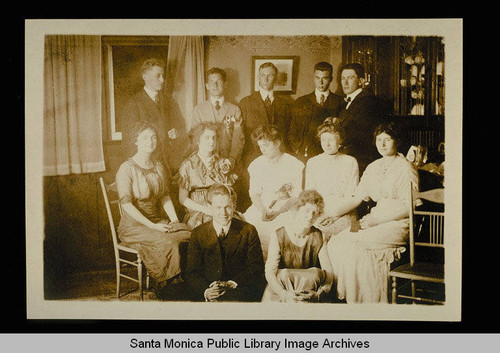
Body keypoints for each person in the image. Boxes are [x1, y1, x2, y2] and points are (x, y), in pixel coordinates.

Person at [326, 121, 419, 303]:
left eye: (387, 140)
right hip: (373, 219)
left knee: (355, 247)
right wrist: (333, 216)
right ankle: (350, 299)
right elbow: (356, 198)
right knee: (337, 242)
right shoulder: (373, 167)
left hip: (397, 223)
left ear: (397, 141)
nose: (382, 144)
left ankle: (368, 301)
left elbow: (410, 205)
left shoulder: (406, 167)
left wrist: (377, 221)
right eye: (379, 140)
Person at [116, 121, 191, 299]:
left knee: (188, 233)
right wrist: (153, 225)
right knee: (168, 242)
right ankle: (167, 287)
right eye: (145, 138)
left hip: (157, 221)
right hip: (133, 226)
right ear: (136, 141)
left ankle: (187, 281)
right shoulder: (126, 169)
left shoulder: (158, 166)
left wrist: (174, 220)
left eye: (153, 137)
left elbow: (165, 196)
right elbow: (127, 205)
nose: (150, 141)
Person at [184, 183, 266, 302]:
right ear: (209, 207)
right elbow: (192, 272)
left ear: (234, 206)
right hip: (208, 290)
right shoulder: (198, 233)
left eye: (227, 207)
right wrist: (206, 291)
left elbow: (255, 267)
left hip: (238, 289)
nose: (223, 212)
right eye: (218, 207)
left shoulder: (248, 231)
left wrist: (231, 284)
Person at [242, 124, 304, 261]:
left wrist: (279, 212)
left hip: (287, 208)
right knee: (251, 230)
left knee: (283, 232)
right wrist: (262, 209)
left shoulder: (293, 164)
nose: (263, 150)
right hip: (262, 206)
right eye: (260, 146)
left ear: (277, 142)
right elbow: (255, 193)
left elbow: (296, 196)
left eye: (266, 145)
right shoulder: (256, 165)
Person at [238, 62, 294, 211]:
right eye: (263, 75)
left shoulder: (286, 104)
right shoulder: (245, 102)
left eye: (270, 75)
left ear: (275, 78)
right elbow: (241, 135)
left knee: (278, 200)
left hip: (278, 160)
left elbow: (288, 134)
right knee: (255, 202)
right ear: (258, 78)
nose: (266, 79)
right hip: (254, 158)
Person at [262, 190, 334, 303]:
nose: (310, 216)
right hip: (282, 291)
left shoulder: (320, 236)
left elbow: (328, 271)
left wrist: (321, 293)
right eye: (307, 210)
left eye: (315, 212)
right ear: (297, 209)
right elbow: (270, 272)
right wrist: (284, 294)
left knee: (316, 274)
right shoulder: (278, 235)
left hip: (310, 292)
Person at [121, 58, 185, 175]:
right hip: (146, 167)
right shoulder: (133, 104)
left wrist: (178, 133)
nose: (162, 80)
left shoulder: (169, 101)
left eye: (163, 76)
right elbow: (128, 143)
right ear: (145, 77)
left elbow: (182, 130)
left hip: (170, 165)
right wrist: (141, 169)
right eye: (158, 76)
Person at [176, 122, 238, 230]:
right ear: (198, 141)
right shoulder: (188, 165)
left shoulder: (222, 162)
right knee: (211, 227)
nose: (211, 141)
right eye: (207, 138)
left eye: (214, 138)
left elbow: (230, 192)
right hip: (198, 212)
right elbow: (183, 199)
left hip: (221, 208)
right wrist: (206, 210)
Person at [305, 119, 359, 239]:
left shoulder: (350, 161)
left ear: (340, 141)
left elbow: (352, 197)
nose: (327, 144)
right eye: (323, 140)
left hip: (345, 212)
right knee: (313, 237)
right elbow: (309, 196)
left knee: (353, 235)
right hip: (318, 213)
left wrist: (335, 216)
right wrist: (319, 215)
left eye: (331, 140)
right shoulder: (313, 162)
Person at [290, 62, 344, 163]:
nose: (321, 82)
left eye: (325, 78)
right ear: (313, 78)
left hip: (331, 154)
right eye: (317, 78)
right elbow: (293, 130)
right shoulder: (301, 102)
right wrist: (298, 149)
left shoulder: (340, 102)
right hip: (307, 154)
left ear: (331, 79)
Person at [192, 67, 245, 166]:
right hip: (205, 161)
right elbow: (195, 138)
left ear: (225, 84)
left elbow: (238, 139)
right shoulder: (198, 110)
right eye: (211, 82)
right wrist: (204, 159)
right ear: (207, 86)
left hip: (228, 160)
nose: (215, 85)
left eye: (218, 81)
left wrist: (232, 159)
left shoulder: (234, 109)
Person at [336, 63, 383, 175]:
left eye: (350, 78)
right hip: (348, 158)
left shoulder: (368, 101)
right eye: (343, 78)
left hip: (361, 160)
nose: (345, 82)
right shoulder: (346, 103)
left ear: (361, 81)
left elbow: (356, 131)